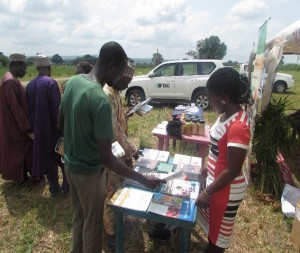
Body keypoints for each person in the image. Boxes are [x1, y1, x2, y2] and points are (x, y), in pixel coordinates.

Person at [58, 41, 164, 253]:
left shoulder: (73, 83)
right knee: (93, 226)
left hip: (69, 167)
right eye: (121, 72)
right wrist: (143, 179)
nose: (122, 79)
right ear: (111, 66)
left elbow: (60, 124)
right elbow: (107, 157)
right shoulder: (100, 99)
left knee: (79, 218)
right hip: (89, 173)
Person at [196, 67, 252, 253]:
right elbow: (218, 151)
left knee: (219, 235)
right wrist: (207, 170)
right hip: (218, 183)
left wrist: (207, 192)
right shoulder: (226, 115)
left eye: (211, 99)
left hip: (226, 189)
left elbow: (233, 169)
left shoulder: (238, 126)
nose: (210, 103)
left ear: (224, 98)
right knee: (214, 228)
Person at [103, 62, 138, 247]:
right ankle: (110, 233)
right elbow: (114, 128)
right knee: (110, 191)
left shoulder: (115, 92)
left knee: (117, 187)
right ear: (117, 76)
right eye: (126, 81)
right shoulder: (107, 94)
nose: (127, 85)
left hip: (119, 150)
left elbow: (118, 119)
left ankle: (117, 219)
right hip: (111, 151)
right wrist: (131, 151)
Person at [26, 54, 69, 196]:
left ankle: (54, 188)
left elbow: (28, 110)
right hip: (53, 130)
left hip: (39, 131)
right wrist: (64, 129)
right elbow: (58, 110)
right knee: (61, 158)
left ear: (37, 67)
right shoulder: (51, 83)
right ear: (49, 68)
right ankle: (66, 186)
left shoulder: (30, 85)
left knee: (48, 160)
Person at [0, 53, 33, 184]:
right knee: (25, 149)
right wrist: (26, 126)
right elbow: (15, 108)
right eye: (24, 67)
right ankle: (28, 176)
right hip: (15, 125)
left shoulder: (11, 79)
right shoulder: (9, 82)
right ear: (16, 65)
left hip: (14, 124)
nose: (25, 71)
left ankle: (22, 176)